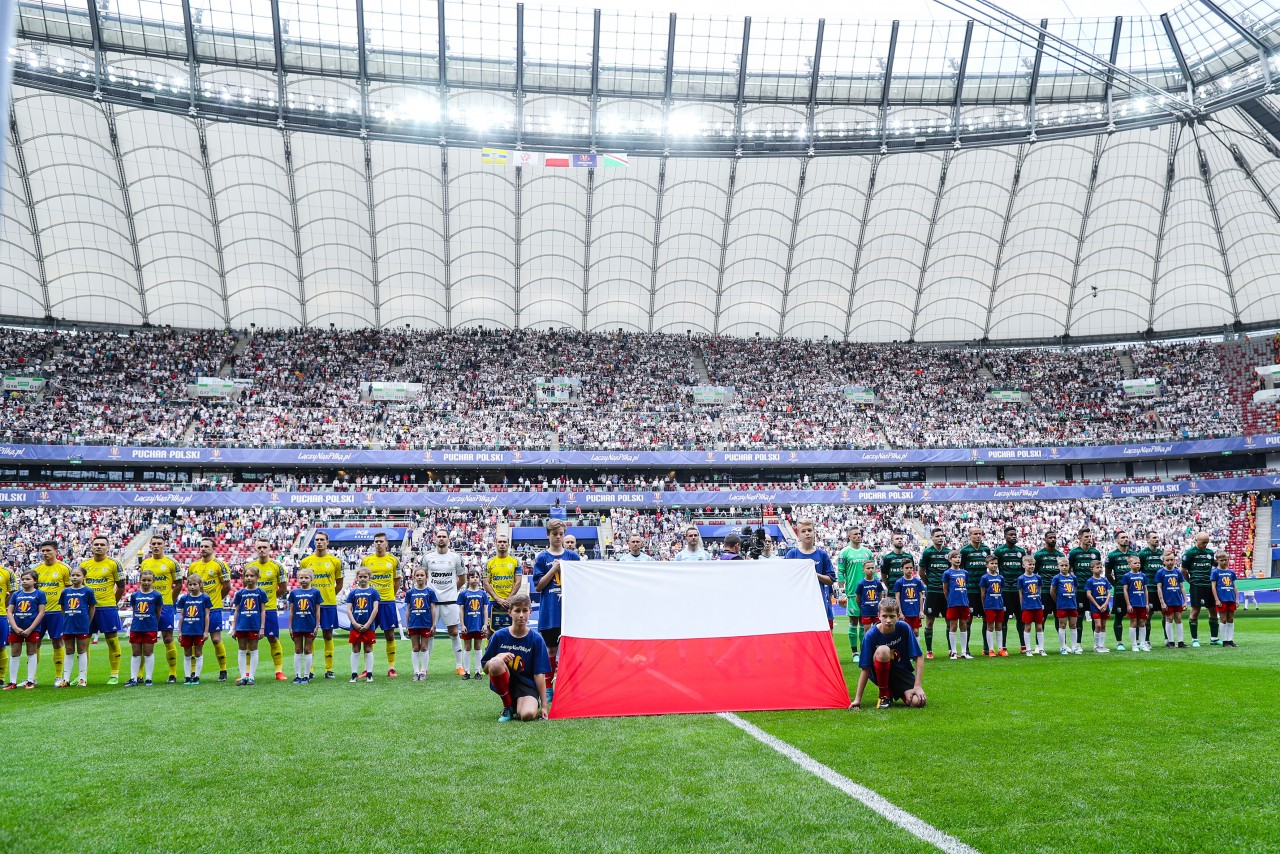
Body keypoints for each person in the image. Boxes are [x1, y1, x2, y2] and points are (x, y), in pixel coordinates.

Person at [481, 592, 551, 722]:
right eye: (517, 610)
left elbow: (539, 674)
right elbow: (485, 669)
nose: (521, 615)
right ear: (510, 613)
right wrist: (498, 657)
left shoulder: (536, 639)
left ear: (530, 612)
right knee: (496, 662)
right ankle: (507, 705)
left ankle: (518, 705)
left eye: (525, 611)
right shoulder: (499, 636)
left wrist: (544, 706)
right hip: (506, 682)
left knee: (527, 715)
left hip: (527, 685)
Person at [851, 598, 926, 710]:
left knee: (918, 702)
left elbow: (919, 656)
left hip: (901, 673)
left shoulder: (904, 628)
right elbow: (865, 668)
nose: (888, 620)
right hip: (880, 672)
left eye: (892, 616)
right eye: (885, 616)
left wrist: (917, 686)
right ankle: (884, 694)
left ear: (898, 615)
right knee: (883, 650)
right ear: (879, 616)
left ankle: (895, 691)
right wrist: (857, 700)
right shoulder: (871, 635)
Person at [533, 518, 579, 702]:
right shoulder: (543, 558)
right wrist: (553, 570)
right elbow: (538, 586)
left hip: (569, 613)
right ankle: (550, 687)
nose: (558, 537)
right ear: (548, 535)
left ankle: (571, 686)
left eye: (561, 534)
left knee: (571, 651)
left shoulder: (573, 557)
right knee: (551, 651)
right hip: (550, 612)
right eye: (555, 534)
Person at [185, 537, 232, 682]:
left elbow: (227, 586)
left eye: (206, 546)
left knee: (216, 639)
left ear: (213, 549)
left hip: (214, 609)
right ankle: (193, 673)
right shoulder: (193, 566)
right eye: (201, 546)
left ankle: (223, 670)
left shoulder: (220, 564)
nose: (203, 548)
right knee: (195, 641)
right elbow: (190, 586)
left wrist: (215, 600)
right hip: (196, 609)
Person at [80, 535, 124, 685]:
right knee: (83, 642)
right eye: (96, 544)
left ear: (107, 547)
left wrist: (112, 603)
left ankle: (115, 674)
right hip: (87, 609)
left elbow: (121, 586)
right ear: (91, 547)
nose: (99, 547)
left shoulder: (114, 564)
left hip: (107, 607)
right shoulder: (84, 565)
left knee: (111, 640)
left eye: (102, 544)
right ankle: (82, 676)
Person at [423, 527, 467, 677]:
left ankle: (459, 666)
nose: (441, 538)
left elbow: (462, 578)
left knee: (454, 632)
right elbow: (422, 575)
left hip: (450, 600)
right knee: (430, 633)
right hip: (432, 602)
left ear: (449, 539)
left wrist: (453, 591)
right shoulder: (427, 557)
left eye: (444, 536)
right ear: (434, 539)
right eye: (439, 536)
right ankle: (425, 667)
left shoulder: (455, 557)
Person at [299, 530, 344, 678]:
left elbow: (339, 584)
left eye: (321, 540)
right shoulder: (306, 561)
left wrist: (329, 595)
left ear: (327, 542)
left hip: (329, 604)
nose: (319, 542)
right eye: (316, 539)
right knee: (310, 636)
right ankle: (310, 670)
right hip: (309, 606)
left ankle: (329, 669)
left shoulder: (335, 561)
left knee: (328, 636)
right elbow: (302, 580)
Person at [245, 537, 289, 682]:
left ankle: (279, 671)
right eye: (259, 547)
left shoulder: (277, 566)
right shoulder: (250, 566)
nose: (262, 550)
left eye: (265, 547)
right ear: (256, 549)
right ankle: (247, 673)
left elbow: (283, 588)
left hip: (269, 609)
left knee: (273, 638)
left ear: (270, 549)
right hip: (251, 610)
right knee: (248, 641)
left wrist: (267, 600)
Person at [139, 535, 182, 685]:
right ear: (150, 546)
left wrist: (168, 599)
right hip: (146, 606)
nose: (156, 546)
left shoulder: (172, 563)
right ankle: (139, 675)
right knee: (143, 639)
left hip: (166, 606)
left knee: (168, 637)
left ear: (165, 545)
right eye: (153, 544)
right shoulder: (145, 563)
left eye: (159, 543)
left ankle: (172, 673)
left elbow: (178, 584)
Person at [785, 519, 838, 630]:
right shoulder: (792, 554)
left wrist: (814, 574)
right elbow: (786, 579)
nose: (807, 533)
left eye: (809, 530)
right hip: (799, 604)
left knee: (824, 639)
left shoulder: (822, 555)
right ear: (798, 535)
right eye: (803, 531)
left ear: (814, 533)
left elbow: (831, 579)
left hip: (820, 603)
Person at [362, 532, 401, 678]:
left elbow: (397, 581)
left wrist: (391, 595)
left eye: (381, 541)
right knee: (367, 635)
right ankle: (367, 669)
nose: (378, 544)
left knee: (390, 635)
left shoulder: (393, 560)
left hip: (387, 602)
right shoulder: (366, 560)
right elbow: (361, 579)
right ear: (373, 543)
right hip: (370, 603)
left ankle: (391, 668)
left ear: (386, 544)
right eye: (376, 541)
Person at [33, 541, 71, 687]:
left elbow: (70, 590)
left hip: (57, 612)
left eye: (48, 550)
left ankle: (58, 676)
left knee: (57, 641)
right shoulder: (36, 570)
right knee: (34, 643)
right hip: (39, 614)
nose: (45, 553)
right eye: (42, 551)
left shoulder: (64, 568)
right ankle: (32, 677)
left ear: (56, 551)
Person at [837, 525, 877, 654]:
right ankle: (854, 652)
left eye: (859, 534)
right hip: (852, 592)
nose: (858, 536)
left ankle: (863, 650)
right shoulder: (844, 552)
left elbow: (873, 572)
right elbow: (841, 572)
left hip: (868, 593)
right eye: (855, 534)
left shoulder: (867, 552)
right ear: (849, 536)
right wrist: (842, 592)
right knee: (853, 620)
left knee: (864, 621)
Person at [5, 570, 45, 690]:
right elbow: (10, 611)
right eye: (23, 579)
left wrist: (31, 628)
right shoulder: (17, 594)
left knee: (31, 652)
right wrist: (15, 627)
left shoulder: (39, 594)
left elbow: (41, 612)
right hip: (17, 628)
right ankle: (12, 682)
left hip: (32, 628)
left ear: (35, 581)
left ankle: (30, 681)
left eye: (27, 579)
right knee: (14, 652)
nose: (24, 581)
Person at [231, 566, 270, 686]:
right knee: (242, 650)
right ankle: (243, 676)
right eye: (246, 576)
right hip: (242, 625)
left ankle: (251, 676)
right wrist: (233, 628)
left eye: (251, 576)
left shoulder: (261, 592)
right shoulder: (240, 593)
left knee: (253, 649)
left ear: (257, 577)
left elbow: (263, 611)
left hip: (254, 625)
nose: (249, 578)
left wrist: (262, 627)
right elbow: (236, 611)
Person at [126, 570, 164, 687]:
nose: (146, 582)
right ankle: (134, 678)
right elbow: (134, 611)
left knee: (148, 652)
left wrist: (154, 624)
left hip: (150, 627)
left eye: (149, 580)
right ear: (139, 580)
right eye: (144, 580)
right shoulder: (135, 595)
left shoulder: (157, 595)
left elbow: (158, 612)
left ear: (153, 581)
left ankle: (148, 678)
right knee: (136, 653)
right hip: (136, 627)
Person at [58, 567, 95, 686]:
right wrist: (66, 618)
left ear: (84, 577)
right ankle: (66, 679)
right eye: (72, 575)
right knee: (68, 650)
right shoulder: (65, 591)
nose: (74, 577)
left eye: (78, 575)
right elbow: (63, 607)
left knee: (81, 650)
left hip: (82, 624)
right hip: (68, 624)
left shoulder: (88, 591)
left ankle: (82, 678)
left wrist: (87, 621)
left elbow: (92, 607)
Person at [285, 568, 323, 684]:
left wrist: (317, 626)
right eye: (301, 578)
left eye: (306, 578)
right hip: (297, 625)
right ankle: (297, 675)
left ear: (311, 579)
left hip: (310, 625)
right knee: (297, 649)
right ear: (297, 579)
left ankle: (306, 676)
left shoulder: (315, 592)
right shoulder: (294, 593)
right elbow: (291, 611)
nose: (303, 580)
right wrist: (290, 626)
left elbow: (317, 611)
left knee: (307, 649)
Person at [918, 528, 950, 659]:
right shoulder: (928, 553)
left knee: (950, 621)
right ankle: (929, 651)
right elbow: (921, 572)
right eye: (937, 536)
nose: (940, 538)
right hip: (932, 592)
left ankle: (951, 649)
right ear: (932, 538)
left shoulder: (948, 553)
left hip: (946, 592)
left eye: (942, 535)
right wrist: (929, 584)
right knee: (930, 621)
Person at [1182, 533, 1218, 648]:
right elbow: (1183, 569)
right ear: (1196, 540)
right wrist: (1190, 581)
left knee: (1213, 610)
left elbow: (1214, 565)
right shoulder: (1189, 553)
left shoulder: (1210, 553)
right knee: (1195, 610)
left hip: (1209, 585)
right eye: (1203, 542)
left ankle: (1214, 638)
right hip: (1197, 585)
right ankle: (1194, 639)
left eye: (1206, 542)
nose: (1205, 544)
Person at [994, 526, 1027, 652]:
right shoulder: (999, 551)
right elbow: (994, 567)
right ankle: (1003, 646)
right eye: (1011, 534)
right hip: (1006, 590)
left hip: (1019, 590)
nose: (1013, 536)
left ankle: (1024, 646)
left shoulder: (1021, 551)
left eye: (1015, 534)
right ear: (1005, 536)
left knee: (1021, 618)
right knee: (1004, 619)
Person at [960, 527, 992, 654]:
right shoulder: (965, 551)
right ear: (970, 535)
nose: (978, 536)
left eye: (980, 534)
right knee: (969, 620)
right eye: (975, 534)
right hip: (971, 590)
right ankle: (966, 649)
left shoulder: (986, 549)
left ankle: (986, 648)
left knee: (986, 618)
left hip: (985, 589)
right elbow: (961, 569)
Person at [346, 566, 381, 683]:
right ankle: (354, 674)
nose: (362, 579)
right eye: (360, 577)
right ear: (357, 578)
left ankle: (369, 673)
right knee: (355, 649)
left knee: (368, 649)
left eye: (365, 577)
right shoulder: (353, 593)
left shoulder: (374, 592)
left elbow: (375, 609)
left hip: (368, 626)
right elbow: (349, 610)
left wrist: (368, 623)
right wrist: (354, 623)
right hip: (355, 626)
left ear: (369, 578)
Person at [1068, 528, 1102, 649]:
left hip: (1094, 591)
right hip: (1080, 589)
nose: (1089, 539)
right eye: (1086, 536)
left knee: (1095, 616)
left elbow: (1098, 569)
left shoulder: (1095, 553)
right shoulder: (1074, 553)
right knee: (1079, 616)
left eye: (1090, 536)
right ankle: (1078, 644)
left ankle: (1096, 644)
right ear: (1080, 537)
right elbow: (1068, 569)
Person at [403, 567, 439, 681]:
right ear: (414, 577)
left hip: (426, 623)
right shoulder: (410, 592)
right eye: (417, 575)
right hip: (414, 623)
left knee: (424, 647)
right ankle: (415, 672)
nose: (419, 577)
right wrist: (407, 625)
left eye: (422, 575)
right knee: (415, 647)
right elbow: (408, 609)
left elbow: (433, 609)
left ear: (426, 577)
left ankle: (423, 671)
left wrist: (434, 624)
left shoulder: (430, 592)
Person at [176, 574, 212, 685]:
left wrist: (206, 631)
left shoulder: (205, 598)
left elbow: (206, 616)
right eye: (190, 584)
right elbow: (181, 616)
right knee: (187, 653)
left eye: (194, 584)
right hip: (187, 630)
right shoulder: (184, 598)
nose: (192, 587)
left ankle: (196, 676)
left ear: (200, 585)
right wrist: (180, 631)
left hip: (198, 630)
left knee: (198, 652)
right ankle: (187, 677)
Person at [484, 533, 522, 637]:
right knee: (490, 632)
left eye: (504, 542)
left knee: (512, 631)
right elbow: (486, 583)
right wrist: (497, 598)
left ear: (508, 544)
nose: (502, 544)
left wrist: (509, 598)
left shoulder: (516, 562)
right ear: (495, 544)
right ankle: (491, 653)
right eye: (500, 542)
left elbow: (518, 582)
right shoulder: (489, 562)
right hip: (494, 603)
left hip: (510, 602)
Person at [1105, 532, 1137, 651]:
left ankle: (1136, 642)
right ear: (1117, 540)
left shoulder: (1133, 554)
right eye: (1122, 538)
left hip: (1134, 591)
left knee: (1136, 616)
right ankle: (1119, 642)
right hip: (1119, 591)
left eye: (1126, 537)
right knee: (1119, 616)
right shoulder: (1112, 555)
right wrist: (1116, 585)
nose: (1125, 539)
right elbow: (1107, 573)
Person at [1033, 531, 1066, 644]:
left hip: (1059, 592)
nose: (1053, 540)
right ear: (1045, 539)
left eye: (1054, 537)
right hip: (1044, 592)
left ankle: (1063, 645)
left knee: (1060, 618)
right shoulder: (1039, 554)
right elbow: (1035, 573)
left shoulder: (1060, 555)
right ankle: (1038, 645)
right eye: (1050, 538)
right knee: (1042, 619)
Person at [457, 570, 490, 679]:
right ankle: (466, 672)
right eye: (472, 577)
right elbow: (461, 610)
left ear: (479, 579)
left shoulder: (482, 594)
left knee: (478, 646)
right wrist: (462, 625)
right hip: (468, 625)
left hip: (479, 625)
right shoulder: (463, 594)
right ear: (468, 579)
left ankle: (477, 671)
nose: (475, 578)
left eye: (477, 577)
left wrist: (485, 624)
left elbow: (485, 610)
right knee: (467, 647)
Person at [1137, 532, 1168, 644]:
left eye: (1157, 537)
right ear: (1148, 540)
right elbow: (1138, 570)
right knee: (1148, 614)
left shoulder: (1161, 554)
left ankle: (1167, 639)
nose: (1157, 539)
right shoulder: (1143, 554)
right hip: (1149, 589)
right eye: (1154, 538)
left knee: (1166, 613)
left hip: (1163, 589)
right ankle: (1146, 640)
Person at [942, 550, 972, 660]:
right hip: (953, 603)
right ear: (950, 560)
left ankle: (964, 651)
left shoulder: (965, 572)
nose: (958, 559)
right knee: (953, 626)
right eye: (955, 557)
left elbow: (965, 587)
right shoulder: (947, 573)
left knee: (964, 625)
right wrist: (949, 600)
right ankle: (954, 652)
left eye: (959, 557)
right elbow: (945, 589)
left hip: (964, 603)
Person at [1155, 551, 1188, 648]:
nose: (1170, 562)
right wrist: (1162, 602)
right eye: (1168, 560)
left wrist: (1185, 600)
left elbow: (1182, 587)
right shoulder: (1160, 572)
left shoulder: (1178, 572)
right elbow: (1159, 588)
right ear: (1164, 561)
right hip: (1167, 601)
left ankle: (1181, 642)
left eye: (1172, 560)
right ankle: (1171, 642)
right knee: (1169, 619)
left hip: (1177, 600)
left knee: (1178, 619)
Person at [1050, 559, 1082, 654]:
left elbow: (1075, 589)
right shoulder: (1056, 578)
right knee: (1062, 625)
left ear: (1069, 566)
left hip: (1072, 605)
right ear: (1058, 566)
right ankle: (1063, 647)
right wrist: (1058, 601)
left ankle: (1074, 647)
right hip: (1062, 606)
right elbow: (1052, 591)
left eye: (1066, 565)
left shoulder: (1073, 577)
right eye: (1062, 565)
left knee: (1073, 625)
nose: (1064, 567)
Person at [979, 556, 1008, 658]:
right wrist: (985, 606)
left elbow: (1001, 591)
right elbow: (982, 594)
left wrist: (1002, 604)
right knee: (990, 627)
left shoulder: (1001, 577)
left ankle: (1000, 649)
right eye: (992, 563)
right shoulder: (984, 577)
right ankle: (991, 649)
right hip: (989, 605)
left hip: (999, 605)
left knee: (999, 627)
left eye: (996, 563)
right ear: (987, 565)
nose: (994, 565)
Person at [1018, 556, 1047, 657]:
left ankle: (1041, 649)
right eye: (1029, 564)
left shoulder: (1038, 577)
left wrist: (1040, 603)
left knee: (1039, 627)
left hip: (1037, 606)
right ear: (1023, 565)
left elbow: (1040, 590)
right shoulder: (1021, 578)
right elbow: (1021, 593)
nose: (1032, 566)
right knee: (1027, 627)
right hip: (1027, 607)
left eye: (1033, 564)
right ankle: (1028, 649)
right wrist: (1022, 606)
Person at [1121, 555, 1151, 652]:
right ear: (1129, 564)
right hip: (1133, 604)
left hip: (1142, 603)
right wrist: (1128, 604)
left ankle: (1142, 644)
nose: (1137, 564)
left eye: (1138, 563)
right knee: (1133, 623)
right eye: (1135, 563)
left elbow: (1145, 590)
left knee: (1142, 623)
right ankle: (1134, 644)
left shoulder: (1143, 575)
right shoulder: (1127, 576)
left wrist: (1147, 603)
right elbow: (1125, 590)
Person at [893, 558, 926, 641]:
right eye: (907, 568)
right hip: (905, 612)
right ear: (902, 569)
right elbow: (897, 598)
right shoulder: (899, 582)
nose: (909, 570)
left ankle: (916, 651)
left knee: (916, 631)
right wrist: (900, 612)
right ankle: (905, 652)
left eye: (911, 568)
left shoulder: (917, 581)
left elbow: (921, 597)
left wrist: (921, 611)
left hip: (915, 611)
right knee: (904, 632)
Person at [1211, 551, 1239, 647]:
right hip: (1222, 599)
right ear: (1217, 560)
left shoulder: (1231, 572)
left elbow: (1234, 586)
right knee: (1223, 619)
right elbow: (1213, 587)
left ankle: (1230, 640)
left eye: (1225, 560)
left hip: (1231, 598)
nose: (1224, 562)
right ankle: (1224, 640)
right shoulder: (1215, 572)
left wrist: (1237, 599)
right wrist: (1217, 599)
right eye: (1221, 560)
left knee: (1231, 619)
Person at [1084, 559, 1112, 653]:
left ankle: (1102, 645)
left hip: (1104, 607)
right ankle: (1096, 646)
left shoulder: (1104, 580)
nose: (1100, 569)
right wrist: (1097, 605)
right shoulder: (1090, 581)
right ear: (1092, 569)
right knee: (1098, 625)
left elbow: (1109, 593)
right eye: (1097, 567)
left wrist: (1105, 604)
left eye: (1101, 567)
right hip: (1095, 607)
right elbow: (1089, 594)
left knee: (1103, 625)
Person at [853, 565, 883, 649]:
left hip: (876, 611)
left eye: (872, 568)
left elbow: (880, 596)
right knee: (867, 632)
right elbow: (858, 598)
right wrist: (862, 607)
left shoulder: (877, 582)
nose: (870, 570)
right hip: (866, 611)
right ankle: (867, 650)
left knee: (878, 631)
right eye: (868, 568)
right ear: (863, 570)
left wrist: (879, 607)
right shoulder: (861, 583)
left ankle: (878, 649)